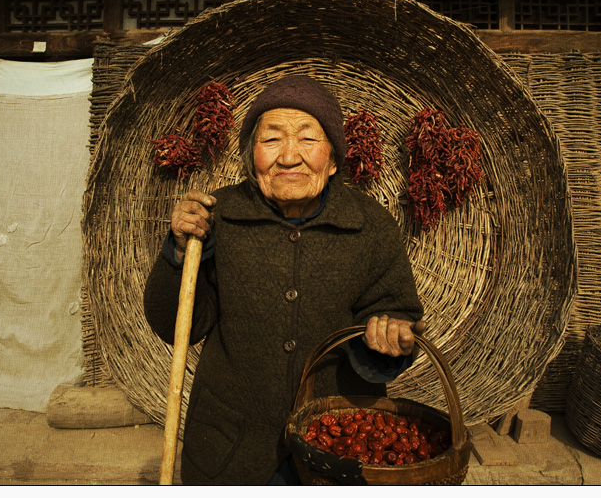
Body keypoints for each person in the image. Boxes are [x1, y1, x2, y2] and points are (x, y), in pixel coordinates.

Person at [144, 75, 425, 485]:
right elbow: (175, 325)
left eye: (308, 141)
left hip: (337, 443)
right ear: (250, 155)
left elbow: (396, 316)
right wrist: (177, 250)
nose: (289, 156)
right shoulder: (216, 216)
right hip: (229, 447)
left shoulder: (370, 226)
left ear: (332, 161)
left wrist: (388, 338)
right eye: (272, 140)